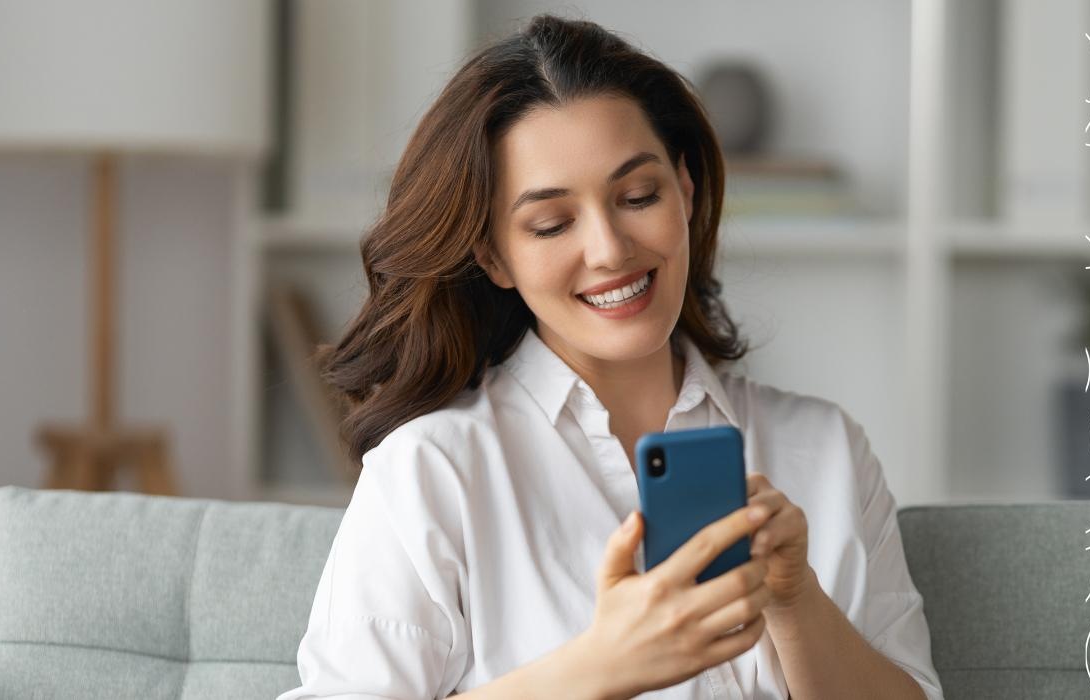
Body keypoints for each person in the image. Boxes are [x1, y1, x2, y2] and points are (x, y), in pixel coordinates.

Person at [279, 14, 942, 700]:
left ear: (685, 192)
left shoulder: (825, 450)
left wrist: (796, 600)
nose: (609, 249)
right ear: (493, 256)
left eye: (637, 196)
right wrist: (599, 668)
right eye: (551, 223)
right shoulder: (432, 472)